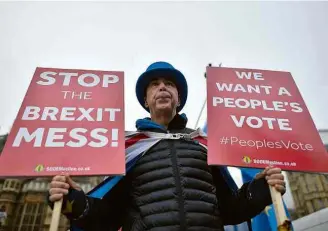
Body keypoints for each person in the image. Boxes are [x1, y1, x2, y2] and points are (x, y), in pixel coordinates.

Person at [48, 62, 286, 231]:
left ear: (178, 98)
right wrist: (71, 200)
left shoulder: (203, 145)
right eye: (154, 84)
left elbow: (230, 209)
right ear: (146, 100)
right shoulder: (129, 148)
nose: (162, 87)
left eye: (169, 84)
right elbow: (108, 218)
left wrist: (262, 189)